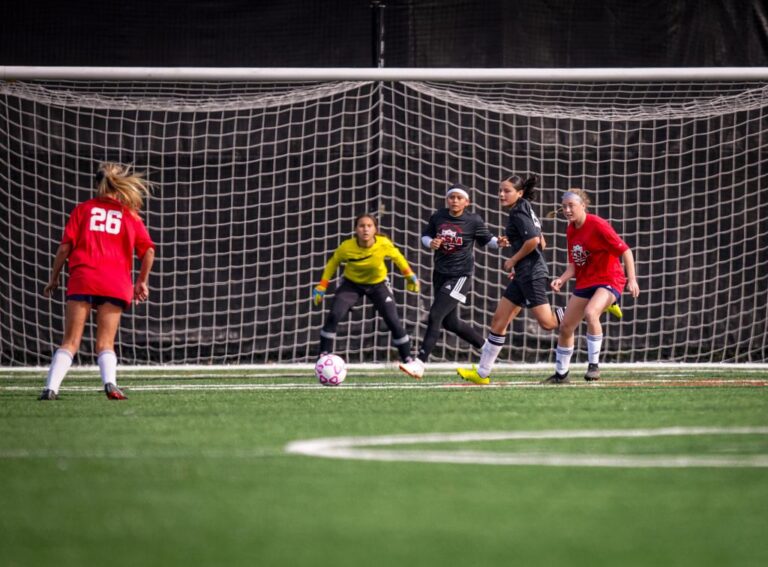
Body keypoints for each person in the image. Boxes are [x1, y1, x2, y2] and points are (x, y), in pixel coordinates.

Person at [40, 162, 156, 400]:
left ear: (96, 185)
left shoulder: (83, 210)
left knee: (70, 341)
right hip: (115, 282)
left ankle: (50, 388)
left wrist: (54, 277)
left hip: (84, 278)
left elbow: (64, 249)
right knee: (105, 343)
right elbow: (149, 252)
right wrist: (141, 281)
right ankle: (110, 384)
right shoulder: (130, 215)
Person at [456, 174, 562, 385]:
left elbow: (533, 241)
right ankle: (482, 374)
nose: (502, 194)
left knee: (548, 323)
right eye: (500, 190)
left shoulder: (519, 212)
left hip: (531, 274)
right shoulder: (524, 207)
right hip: (524, 273)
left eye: (507, 191)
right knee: (499, 321)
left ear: (519, 193)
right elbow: (542, 241)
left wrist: (513, 260)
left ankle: (587, 307)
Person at [399, 183, 503, 379]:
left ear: (466, 202)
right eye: (451, 197)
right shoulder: (438, 216)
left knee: (435, 315)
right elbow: (425, 236)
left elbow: (488, 240)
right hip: (440, 274)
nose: (454, 200)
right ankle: (487, 347)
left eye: (459, 198)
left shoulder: (473, 221)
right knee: (451, 322)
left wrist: (499, 242)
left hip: (461, 276)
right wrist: (431, 242)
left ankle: (419, 363)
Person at [542, 188, 640, 384]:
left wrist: (632, 279)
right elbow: (574, 263)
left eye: (572, 205)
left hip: (609, 279)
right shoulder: (570, 229)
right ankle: (561, 375)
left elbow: (626, 251)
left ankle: (593, 366)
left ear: (583, 206)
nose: (568, 210)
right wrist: (562, 278)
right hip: (586, 281)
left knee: (591, 312)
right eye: (564, 207)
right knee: (566, 326)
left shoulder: (597, 225)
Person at [313, 213, 420, 363]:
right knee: (334, 315)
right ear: (356, 229)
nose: (365, 229)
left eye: (369, 226)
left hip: (378, 284)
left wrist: (410, 275)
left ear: (375, 229)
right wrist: (322, 285)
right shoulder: (346, 247)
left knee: (393, 320)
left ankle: (408, 359)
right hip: (352, 284)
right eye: (361, 226)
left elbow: (398, 258)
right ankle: (323, 355)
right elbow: (332, 263)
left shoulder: (383, 243)